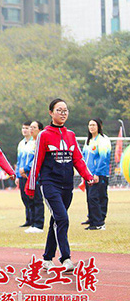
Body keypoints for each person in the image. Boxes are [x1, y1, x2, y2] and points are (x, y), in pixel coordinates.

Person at [26, 99, 97, 273]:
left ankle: (46, 258)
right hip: (50, 185)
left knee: (56, 220)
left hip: (67, 186)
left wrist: (87, 176)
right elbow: (37, 161)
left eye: (66, 110)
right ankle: (66, 258)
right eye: (59, 110)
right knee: (62, 218)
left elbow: (78, 159)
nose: (63, 113)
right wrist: (31, 185)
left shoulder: (70, 135)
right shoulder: (44, 135)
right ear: (51, 113)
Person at [83, 118, 110, 231]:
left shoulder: (103, 140)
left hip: (99, 174)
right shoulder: (88, 141)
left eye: (94, 125)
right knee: (90, 198)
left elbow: (103, 158)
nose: (91, 127)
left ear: (99, 126)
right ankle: (93, 219)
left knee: (96, 197)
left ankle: (99, 222)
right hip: (88, 174)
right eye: (90, 125)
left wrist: (97, 173)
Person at [24, 120, 45, 233]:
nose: (31, 130)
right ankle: (32, 223)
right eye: (30, 127)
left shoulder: (40, 142)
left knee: (37, 199)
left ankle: (39, 224)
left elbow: (36, 161)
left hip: (36, 176)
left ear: (40, 130)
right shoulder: (29, 143)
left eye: (34, 128)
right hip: (28, 176)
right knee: (30, 199)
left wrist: (26, 168)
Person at [16, 122, 35, 228]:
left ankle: (34, 219)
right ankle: (28, 219)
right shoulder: (21, 143)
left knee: (32, 197)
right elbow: (19, 160)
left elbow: (34, 160)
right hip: (21, 175)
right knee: (24, 198)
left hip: (29, 175)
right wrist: (17, 175)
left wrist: (26, 169)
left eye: (27, 128)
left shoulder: (34, 143)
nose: (25, 130)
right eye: (23, 128)